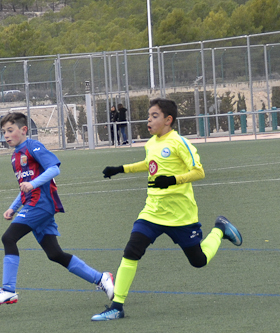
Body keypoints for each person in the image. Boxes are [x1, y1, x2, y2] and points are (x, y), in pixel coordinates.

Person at [95, 98, 243, 321]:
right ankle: (117, 307)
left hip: (180, 215)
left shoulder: (179, 143)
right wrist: (120, 169)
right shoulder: (151, 143)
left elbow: (199, 171)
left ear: (168, 120)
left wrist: (173, 180)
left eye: (154, 116)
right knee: (131, 251)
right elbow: (150, 164)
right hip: (152, 212)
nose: (149, 120)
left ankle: (220, 229)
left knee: (199, 261)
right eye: (148, 116)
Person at [0, 112, 114, 306]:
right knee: (55, 254)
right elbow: (25, 187)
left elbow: (54, 169)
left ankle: (8, 290)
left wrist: (33, 184)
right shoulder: (15, 156)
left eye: (10, 130)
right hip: (34, 205)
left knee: (8, 238)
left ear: (24, 129)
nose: (6, 135)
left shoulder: (33, 146)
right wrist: (13, 207)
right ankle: (101, 278)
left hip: (41, 204)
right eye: (4, 132)